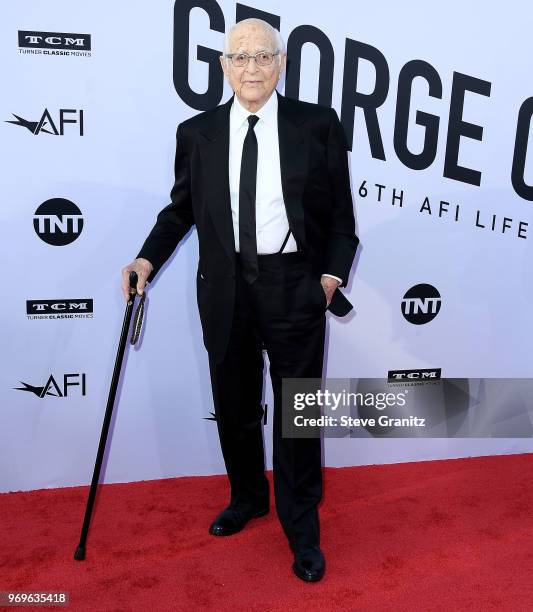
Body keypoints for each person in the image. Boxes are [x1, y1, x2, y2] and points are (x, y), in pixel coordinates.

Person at [121, 17, 358, 582]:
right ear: (225, 68)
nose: (252, 68)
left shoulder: (317, 125)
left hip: (293, 287)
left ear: (280, 64)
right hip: (224, 288)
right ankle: (248, 496)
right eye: (241, 57)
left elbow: (342, 217)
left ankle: (301, 525)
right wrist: (145, 259)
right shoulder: (196, 132)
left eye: (263, 56)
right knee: (234, 403)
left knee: (298, 414)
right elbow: (180, 210)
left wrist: (327, 279)